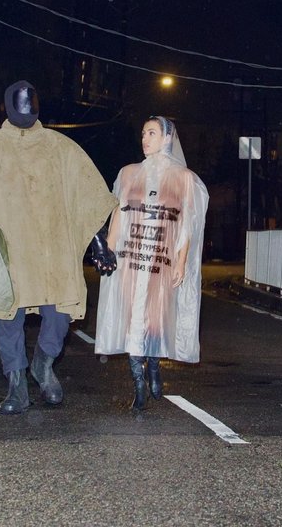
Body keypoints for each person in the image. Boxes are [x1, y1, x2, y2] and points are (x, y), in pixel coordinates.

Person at [0, 80, 117, 414]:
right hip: (8, 251)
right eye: (20, 102)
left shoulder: (61, 148)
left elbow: (88, 197)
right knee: (7, 317)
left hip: (51, 249)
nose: (26, 107)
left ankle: (43, 365)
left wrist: (100, 244)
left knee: (60, 314)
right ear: (8, 106)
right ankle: (16, 384)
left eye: (31, 101)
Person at [95, 115, 209, 410]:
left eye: (152, 133)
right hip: (131, 260)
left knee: (155, 323)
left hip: (161, 261)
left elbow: (187, 225)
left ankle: (154, 365)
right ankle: (138, 386)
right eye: (143, 133)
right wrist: (108, 251)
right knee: (133, 321)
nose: (145, 139)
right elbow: (118, 216)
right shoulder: (128, 173)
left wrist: (181, 261)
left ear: (167, 138)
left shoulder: (184, 179)